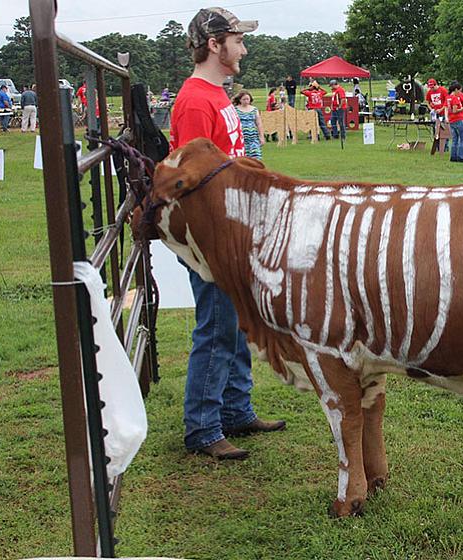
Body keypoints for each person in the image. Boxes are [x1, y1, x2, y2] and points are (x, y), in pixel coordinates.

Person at [170, 6, 286, 461]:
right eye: (237, 39)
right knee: (217, 328)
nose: (245, 47)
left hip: (233, 232)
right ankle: (202, 427)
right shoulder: (197, 101)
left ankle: (237, 410)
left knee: (236, 326)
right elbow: (195, 183)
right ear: (214, 44)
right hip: (212, 237)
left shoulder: (217, 95)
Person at [233, 89, 266, 159]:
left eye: (247, 99)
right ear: (240, 100)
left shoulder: (254, 109)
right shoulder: (235, 110)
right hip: (241, 139)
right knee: (243, 160)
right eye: (244, 99)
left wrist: (261, 136)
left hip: (253, 138)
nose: (246, 101)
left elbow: (259, 123)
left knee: (256, 158)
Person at [445, 81, 463, 163]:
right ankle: (460, 156)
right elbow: (455, 110)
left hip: (451, 120)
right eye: (459, 90)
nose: (460, 92)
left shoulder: (448, 97)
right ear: (456, 90)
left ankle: (453, 156)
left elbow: (448, 109)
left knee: (455, 139)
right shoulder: (454, 98)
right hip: (458, 119)